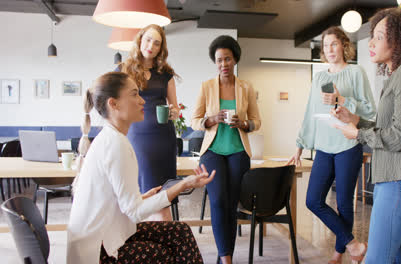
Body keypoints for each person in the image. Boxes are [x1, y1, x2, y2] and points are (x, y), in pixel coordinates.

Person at [67, 72, 215, 264]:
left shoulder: (113, 138)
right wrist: (182, 185)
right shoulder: (115, 144)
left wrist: (144, 197)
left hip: (106, 233)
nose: (142, 101)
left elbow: (119, 200)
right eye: (135, 94)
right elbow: (135, 212)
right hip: (99, 249)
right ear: (114, 104)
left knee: (180, 232)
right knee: (164, 253)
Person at [332, 8, 401, 264]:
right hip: (395, 180)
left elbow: (399, 136)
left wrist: (357, 133)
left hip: (400, 181)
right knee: (396, 260)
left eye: (380, 36)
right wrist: (356, 120)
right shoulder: (399, 75)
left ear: (400, 40)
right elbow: (388, 127)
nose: (372, 42)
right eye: (373, 36)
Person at [287, 26, 376, 264]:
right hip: (324, 147)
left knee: (345, 203)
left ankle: (338, 255)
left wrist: (342, 99)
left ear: (344, 45)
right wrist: (299, 146)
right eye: (326, 46)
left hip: (348, 143)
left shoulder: (356, 73)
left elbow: (369, 111)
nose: (330, 49)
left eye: (334, 44)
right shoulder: (321, 77)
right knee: (313, 200)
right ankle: (354, 245)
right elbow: (310, 113)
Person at [191, 35, 261, 264]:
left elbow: (256, 121)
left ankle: (225, 256)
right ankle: (226, 258)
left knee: (231, 204)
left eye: (228, 59)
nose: (224, 64)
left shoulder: (246, 88)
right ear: (215, 62)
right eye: (219, 60)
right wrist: (211, 119)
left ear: (235, 59)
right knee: (218, 199)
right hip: (213, 151)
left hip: (238, 151)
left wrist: (243, 124)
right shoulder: (207, 86)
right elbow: (195, 120)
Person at [119, 24, 179, 221]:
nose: (151, 46)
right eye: (148, 40)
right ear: (140, 40)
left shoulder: (166, 73)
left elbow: (176, 108)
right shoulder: (124, 70)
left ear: (161, 48)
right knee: (146, 193)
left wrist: (173, 112)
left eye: (157, 43)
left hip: (163, 138)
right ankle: (162, 238)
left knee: (162, 194)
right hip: (136, 137)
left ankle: (163, 240)